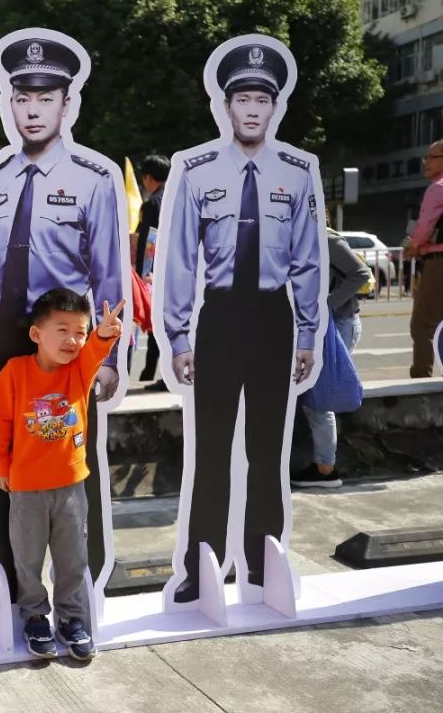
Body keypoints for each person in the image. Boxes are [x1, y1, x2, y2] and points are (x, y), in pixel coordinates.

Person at [0, 36, 124, 613]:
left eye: (45, 98)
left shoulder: (93, 179)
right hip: (7, 334)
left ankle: (85, 577)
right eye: (22, 98)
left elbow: (109, 273)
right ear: (10, 102)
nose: (32, 110)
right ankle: (8, 575)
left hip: (65, 338)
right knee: (9, 455)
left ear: (65, 103)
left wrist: (109, 357)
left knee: (72, 455)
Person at [162, 42, 321, 602]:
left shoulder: (298, 173)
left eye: (262, 100)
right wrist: (178, 336)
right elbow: (180, 260)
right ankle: (201, 565)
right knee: (211, 449)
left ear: (275, 107)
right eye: (243, 100)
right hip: (221, 317)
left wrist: (307, 332)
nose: (252, 110)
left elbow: (308, 259)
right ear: (226, 106)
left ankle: (260, 564)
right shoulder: (197, 171)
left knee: (266, 450)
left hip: (274, 318)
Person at [0, 289, 122, 661]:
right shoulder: (15, 372)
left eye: (80, 332)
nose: (73, 340)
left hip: (71, 488)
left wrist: (104, 334)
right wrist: (0, 467)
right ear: (36, 334)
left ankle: (71, 620)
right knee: (27, 561)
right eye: (62, 330)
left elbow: (95, 350)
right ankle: (35, 618)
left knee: (72, 560)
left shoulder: (79, 370)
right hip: (26, 489)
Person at [293, 228, 370, 488]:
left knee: (320, 397)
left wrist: (327, 303)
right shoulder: (297, 237)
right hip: (323, 325)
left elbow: (361, 273)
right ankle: (324, 467)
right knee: (314, 395)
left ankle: (326, 470)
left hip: (338, 323)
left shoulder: (325, 238)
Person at [404, 138, 443, 378]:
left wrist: (413, 246)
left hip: (438, 262)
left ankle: (421, 377)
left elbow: (424, 228)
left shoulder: (437, 188)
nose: (425, 162)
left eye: (431, 157)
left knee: (423, 324)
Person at [132, 155, 170, 391]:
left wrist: (144, 273)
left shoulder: (152, 204)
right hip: (176, 272)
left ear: (147, 178)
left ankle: (155, 373)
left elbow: (148, 242)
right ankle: (154, 372)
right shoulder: (175, 199)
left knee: (157, 325)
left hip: (155, 274)